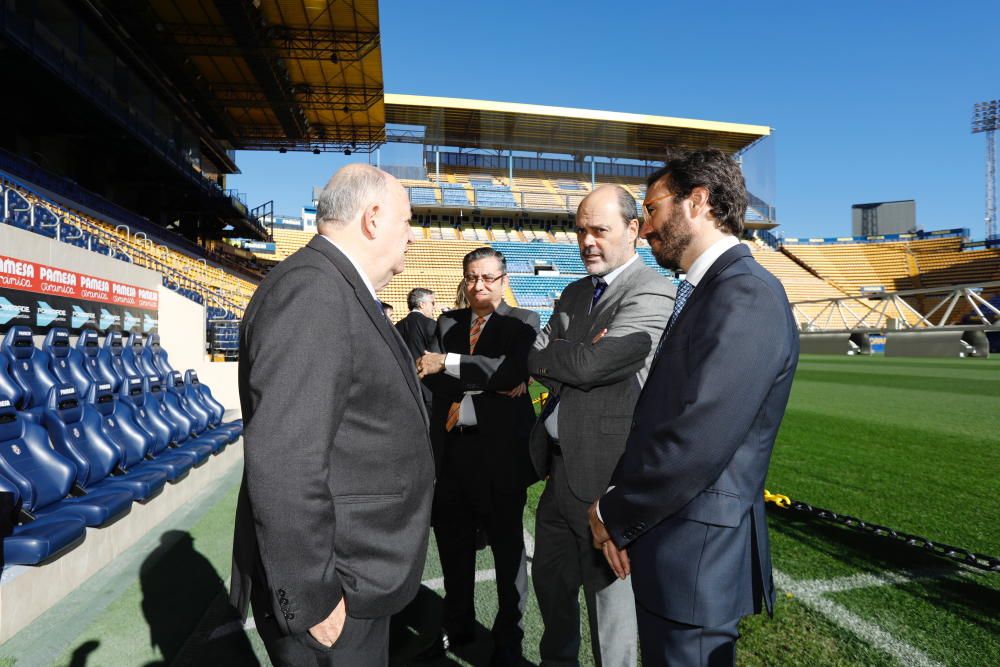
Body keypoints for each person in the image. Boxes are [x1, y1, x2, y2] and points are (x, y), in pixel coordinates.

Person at [588, 149, 799, 667]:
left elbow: (696, 436)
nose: (645, 229)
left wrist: (611, 513)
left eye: (654, 209)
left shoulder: (744, 293)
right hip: (676, 548)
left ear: (698, 202)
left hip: (696, 561)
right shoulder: (711, 291)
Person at [230, 164, 435, 666]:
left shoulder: (333, 286)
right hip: (338, 585)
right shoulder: (315, 292)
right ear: (372, 218)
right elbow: (285, 458)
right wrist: (312, 596)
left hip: (356, 571)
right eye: (407, 221)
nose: (413, 235)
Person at [528, 185, 674, 666]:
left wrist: (568, 355)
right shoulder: (573, 291)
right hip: (557, 476)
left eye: (600, 230)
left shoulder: (654, 290)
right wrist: (575, 354)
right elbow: (535, 355)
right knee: (553, 602)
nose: (587, 240)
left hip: (608, 485)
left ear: (634, 230)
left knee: (611, 622)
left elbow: (591, 368)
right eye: (580, 230)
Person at [416, 247, 540, 666]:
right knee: (453, 549)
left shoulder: (523, 322)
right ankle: (458, 626)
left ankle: (509, 637)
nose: (479, 286)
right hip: (453, 453)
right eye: (471, 277)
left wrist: (450, 363)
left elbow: (510, 371)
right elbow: (432, 379)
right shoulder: (447, 322)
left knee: (507, 554)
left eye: (488, 278)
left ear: (504, 280)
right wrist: (486, 374)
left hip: (501, 457)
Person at [396, 288, 438, 412]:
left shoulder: (396, 327)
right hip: (429, 389)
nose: (434, 307)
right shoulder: (430, 324)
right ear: (422, 304)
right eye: (432, 303)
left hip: (404, 389)